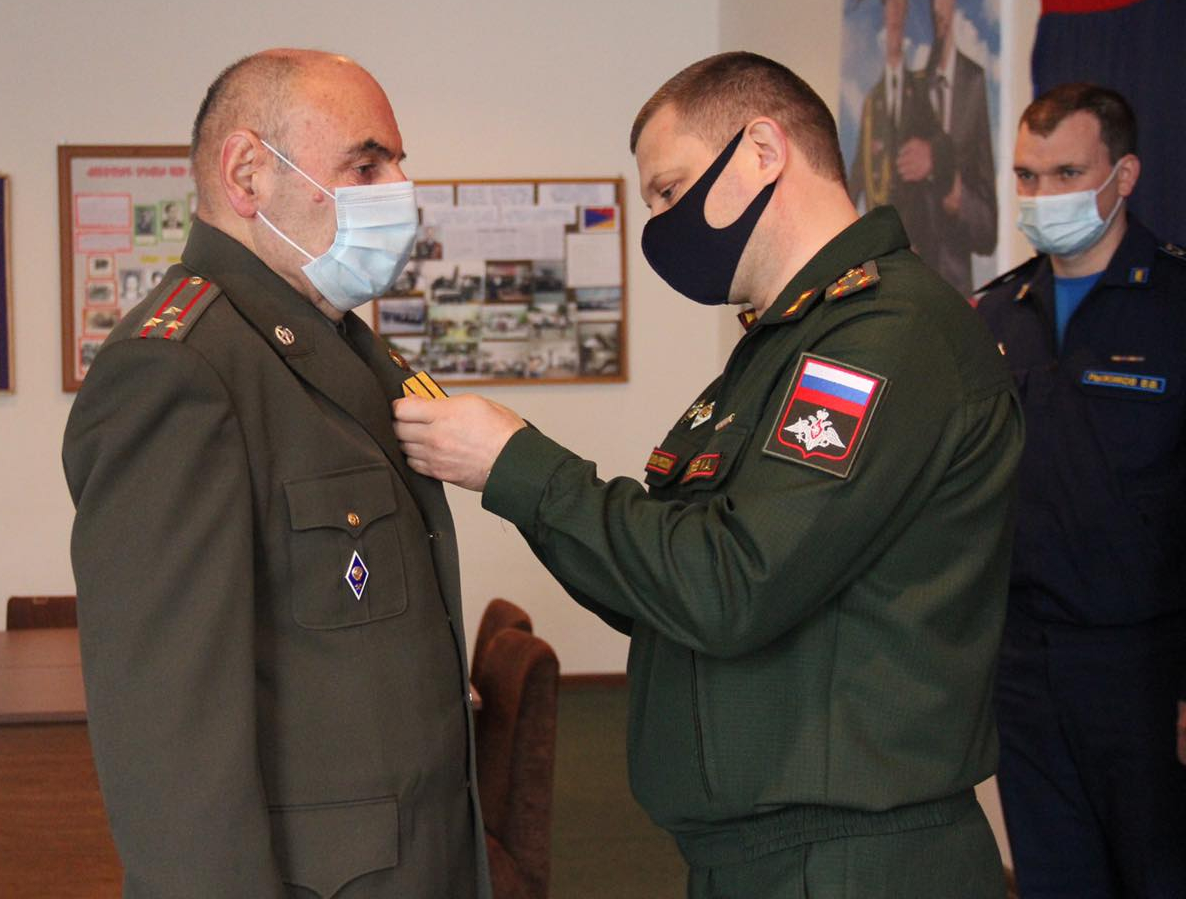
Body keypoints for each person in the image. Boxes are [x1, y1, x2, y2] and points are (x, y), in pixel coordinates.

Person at [395, 51, 1022, 898]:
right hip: (764, 855)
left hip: (849, 859)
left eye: (670, 189)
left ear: (761, 152)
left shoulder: (883, 338)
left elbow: (730, 583)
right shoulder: (784, 345)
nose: (660, 223)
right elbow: (665, 590)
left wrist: (518, 465)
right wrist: (510, 478)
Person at [62, 49, 488, 899]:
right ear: (248, 174)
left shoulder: (334, 342)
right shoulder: (179, 369)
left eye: (398, 164)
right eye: (366, 165)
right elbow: (169, 733)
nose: (400, 189)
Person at [975, 83, 1186, 898]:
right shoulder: (997, 314)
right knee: (1053, 876)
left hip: (1144, 665)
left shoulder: (1173, 305)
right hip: (1023, 663)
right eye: (1027, 177)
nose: (1042, 196)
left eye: (1067, 173)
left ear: (1123, 176)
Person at [895, 0, 997, 294]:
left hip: (956, 296)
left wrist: (942, 172)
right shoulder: (909, 86)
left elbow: (988, 230)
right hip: (907, 293)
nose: (936, 4)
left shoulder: (974, 83)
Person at [846, 0, 938, 249]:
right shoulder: (872, 102)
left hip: (921, 247)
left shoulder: (923, 87)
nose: (897, 5)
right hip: (883, 250)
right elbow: (857, 178)